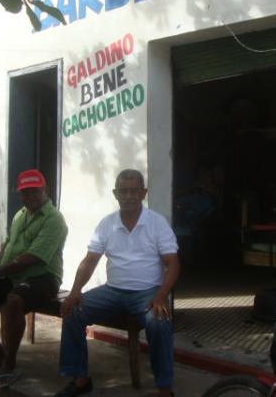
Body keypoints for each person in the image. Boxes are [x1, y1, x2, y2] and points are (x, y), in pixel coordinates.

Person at [56, 169, 179, 397]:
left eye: (134, 191)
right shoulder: (107, 224)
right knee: (72, 311)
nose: (129, 196)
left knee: (159, 322)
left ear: (143, 193)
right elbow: (90, 260)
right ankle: (80, 380)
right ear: (115, 194)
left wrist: (161, 296)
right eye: (123, 191)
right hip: (113, 291)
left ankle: (164, 389)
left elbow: (173, 263)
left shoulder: (157, 223)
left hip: (147, 292)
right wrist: (75, 291)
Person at [0, 169, 68, 388]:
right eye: (25, 192)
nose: (29, 196)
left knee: (14, 300)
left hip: (44, 276)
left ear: (45, 190)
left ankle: (9, 364)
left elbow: (32, 258)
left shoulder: (54, 219)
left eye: (34, 191)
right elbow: (8, 245)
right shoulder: (20, 214)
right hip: (13, 273)